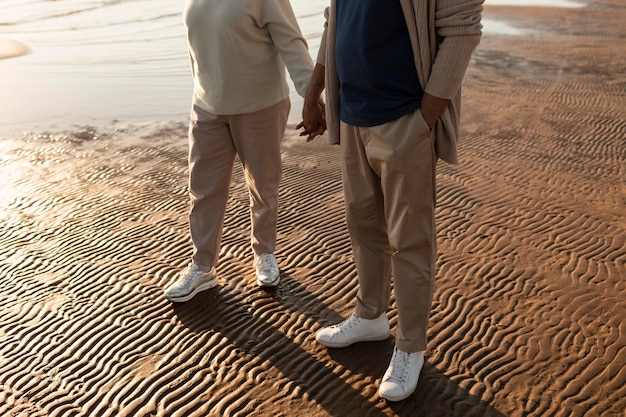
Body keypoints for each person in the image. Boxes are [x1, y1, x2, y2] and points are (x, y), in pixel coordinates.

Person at [300, 0, 483, 402]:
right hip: (353, 115)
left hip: (404, 117)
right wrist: (315, 89)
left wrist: (426, 117)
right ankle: (370, 316)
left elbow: (462, 28)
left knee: (410, 238)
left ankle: (410, 347)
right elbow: (335, 18)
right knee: (363, 224)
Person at [165, 0, 314, 302]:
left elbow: (291, 41)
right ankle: (202, 266)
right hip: (207, 106)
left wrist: (312, 95)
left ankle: (264, 253)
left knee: (262, 185)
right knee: (203, 190)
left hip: (259, 105)